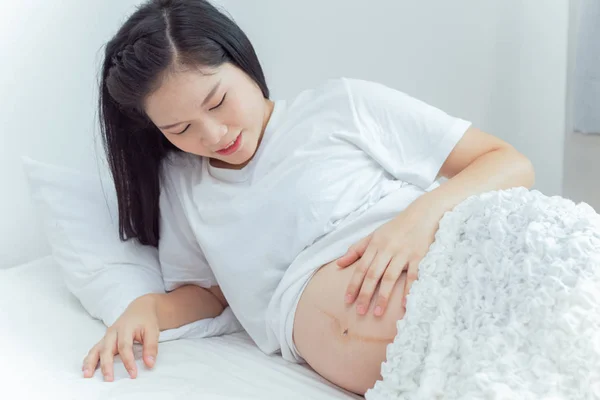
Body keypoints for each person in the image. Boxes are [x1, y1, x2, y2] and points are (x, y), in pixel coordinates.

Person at [81, 0, 535, 395]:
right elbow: (209, 293)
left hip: (474, 268)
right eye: (180, 129)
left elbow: (508, 162)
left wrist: (416, 221)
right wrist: (146, 308)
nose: (214, 134)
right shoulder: (183, 184)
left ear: (242, 61)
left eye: (218, 102)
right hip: (436, 371)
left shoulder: (341, 106)